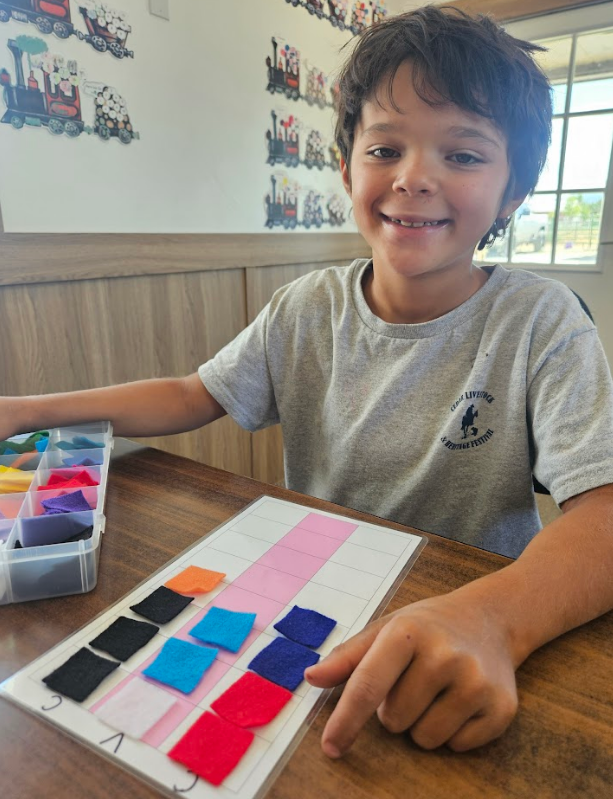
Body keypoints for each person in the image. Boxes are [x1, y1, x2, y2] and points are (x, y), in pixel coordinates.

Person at [3, 4, 613, 760]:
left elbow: (603, 515)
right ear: (346, 167)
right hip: (314, 602)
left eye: (462, 155)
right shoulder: (306, 306)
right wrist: (25, 407)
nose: (414, 177)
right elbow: (193, 392)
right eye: (385, 147)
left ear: (513, 192)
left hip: (467, 628)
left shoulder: (540, 320)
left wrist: (495, 619)